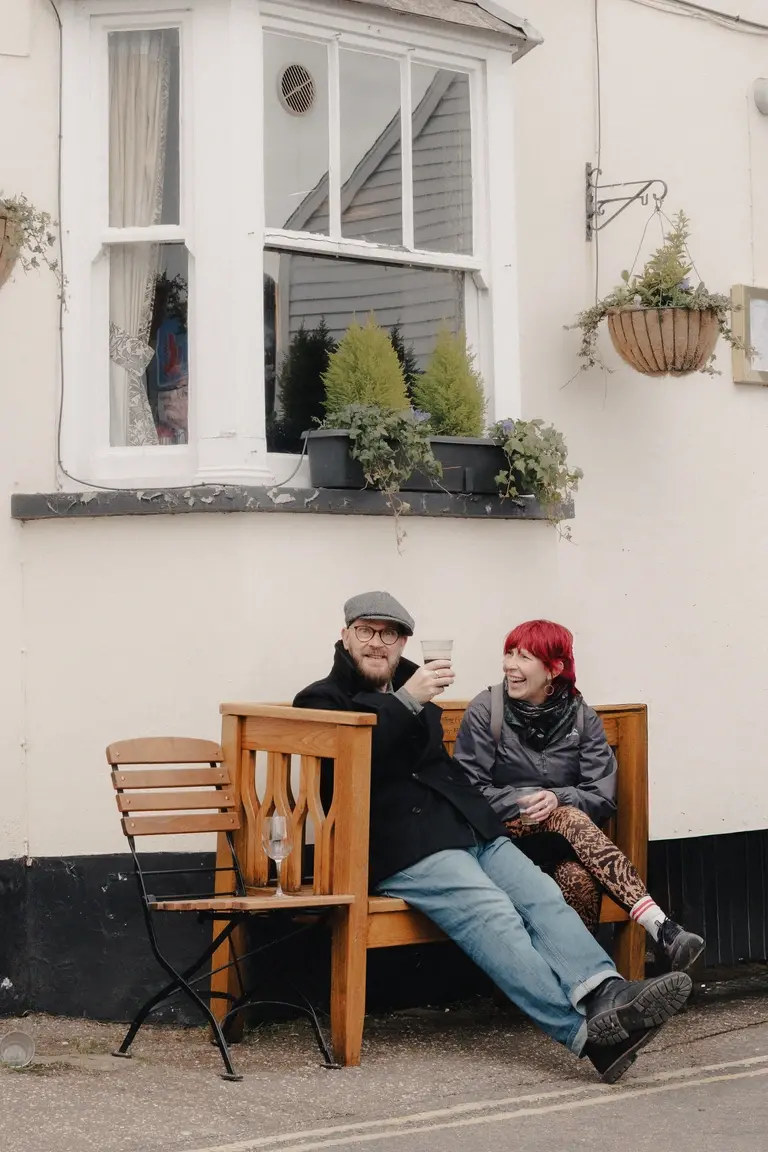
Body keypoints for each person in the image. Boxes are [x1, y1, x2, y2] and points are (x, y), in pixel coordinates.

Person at [293, 591, 692, 1084]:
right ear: (345, 636)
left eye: (390, 634)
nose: (378, 642)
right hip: (403, 847)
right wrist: (407, 701)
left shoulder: (417, 692)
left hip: (469, 828)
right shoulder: (321, 699)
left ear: (403, 643)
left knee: (542, 894)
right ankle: (588, 1034)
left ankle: (605, 990)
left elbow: (444, 771)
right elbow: (348, 764)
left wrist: (487, 819)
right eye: (366, 631)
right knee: (494, 913)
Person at [453, 619, 705, 972]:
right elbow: (469, 790)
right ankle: (661, 928)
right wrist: (529, 800)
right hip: (502, 842)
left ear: (554, 668)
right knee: (566, 813)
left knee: (579, 880)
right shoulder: (487, 710)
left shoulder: (581, 717)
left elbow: (601, 794)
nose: (510, 665)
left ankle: (580, 982)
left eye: (523, 657)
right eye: (509, 653)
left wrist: (557, 797)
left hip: (565, 845)